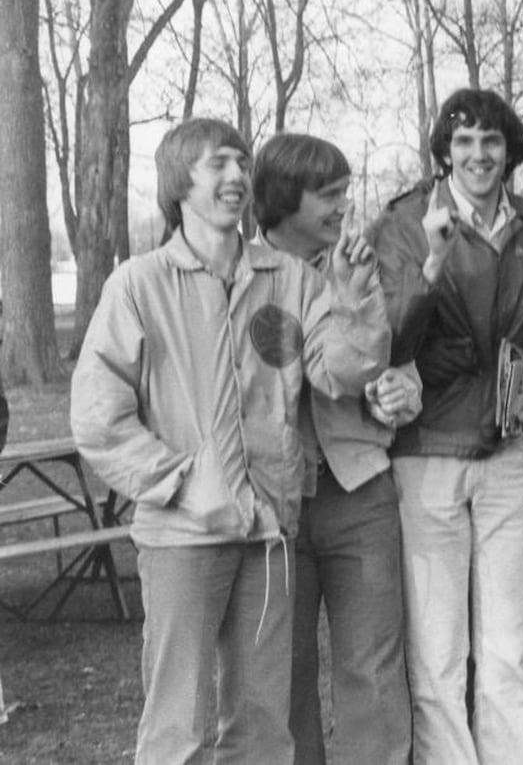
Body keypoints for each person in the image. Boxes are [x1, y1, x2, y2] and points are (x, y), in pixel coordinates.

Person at [71, 117, 390, 764]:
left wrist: (356, 303)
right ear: (178, 181)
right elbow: (98, 417)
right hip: (181, 535)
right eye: (219, 163)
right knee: (177, 728)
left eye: (243, 163)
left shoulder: (292, 279)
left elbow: (343, 371)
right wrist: (185, 481)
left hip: (268, 529)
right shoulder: (139, 284)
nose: (238, 176)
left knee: (263, 728)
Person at [370, 88, 523, 764]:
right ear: (443, 153)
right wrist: (430, 264)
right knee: (437, 653)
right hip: (428, 452)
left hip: (511, 453)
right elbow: (388, 341)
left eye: (491, 141)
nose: (479, 155)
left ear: (508, 149)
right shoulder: (404, 221)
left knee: (511, 648)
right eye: (463, 142)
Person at [253, 133, 419, 765]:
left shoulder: (360, 263)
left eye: (345, 191)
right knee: (282, 671)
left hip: (359, 492)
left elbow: (401, 363)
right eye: (328, 194)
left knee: (373, 669)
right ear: (284, 198)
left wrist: (402, 392)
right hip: (275, 502)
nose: (344, 206)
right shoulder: (240, 272)